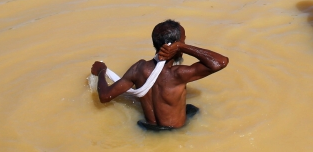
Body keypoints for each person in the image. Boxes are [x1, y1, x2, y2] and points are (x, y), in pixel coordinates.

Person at [90, 20, 229, 130]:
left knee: (191, 109)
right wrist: (182, 48)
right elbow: (221, 62)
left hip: (148, 128)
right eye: (183, 40)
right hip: (175, 132)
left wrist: (102, 71)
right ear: (174, 45)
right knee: (195, 111)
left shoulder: (138, 69)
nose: (184, 43)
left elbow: (104, 96)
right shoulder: (178, 74)